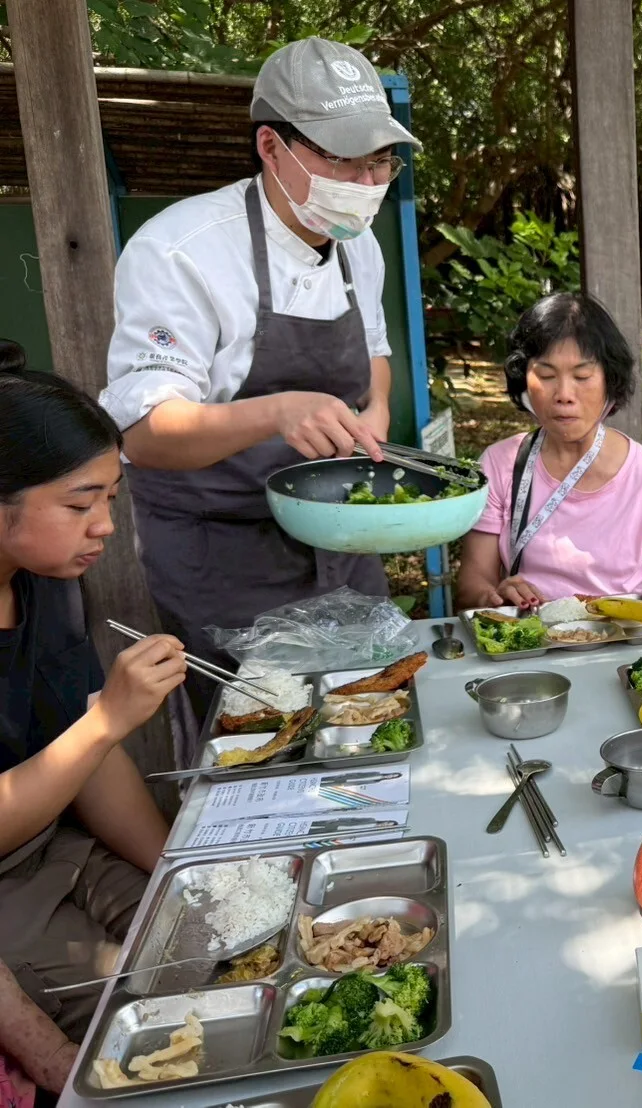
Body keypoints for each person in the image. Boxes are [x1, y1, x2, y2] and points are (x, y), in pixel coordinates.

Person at [99, 36, 421, 728]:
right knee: (258, 738)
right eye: (342, 160)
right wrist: (276, 411)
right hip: (223, 555)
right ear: (271, 147)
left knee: (370, 714)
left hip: (339, 544)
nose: (366, 184)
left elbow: (374, 353)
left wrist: (378, 410)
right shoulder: (181, 251)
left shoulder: (357, 247)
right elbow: (145, 431)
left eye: (380, 162)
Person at [0, 368, 187, 1052]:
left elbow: (90, 759)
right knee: (145, 1025)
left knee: (211, 945)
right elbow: (93, 733)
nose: (105, 525)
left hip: (58, 845)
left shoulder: (46, 583)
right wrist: (111, 718)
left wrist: (177, 871)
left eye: (110, 497)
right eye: (80, 505)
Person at [455, 294, 642, 610]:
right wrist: (495, 597)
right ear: (523, 381)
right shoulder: (501, 466)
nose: (564, 395)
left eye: (582, 376)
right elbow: (472, 584)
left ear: (610, 381)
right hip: (529, 647)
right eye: (546, 375)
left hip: (621, 649)